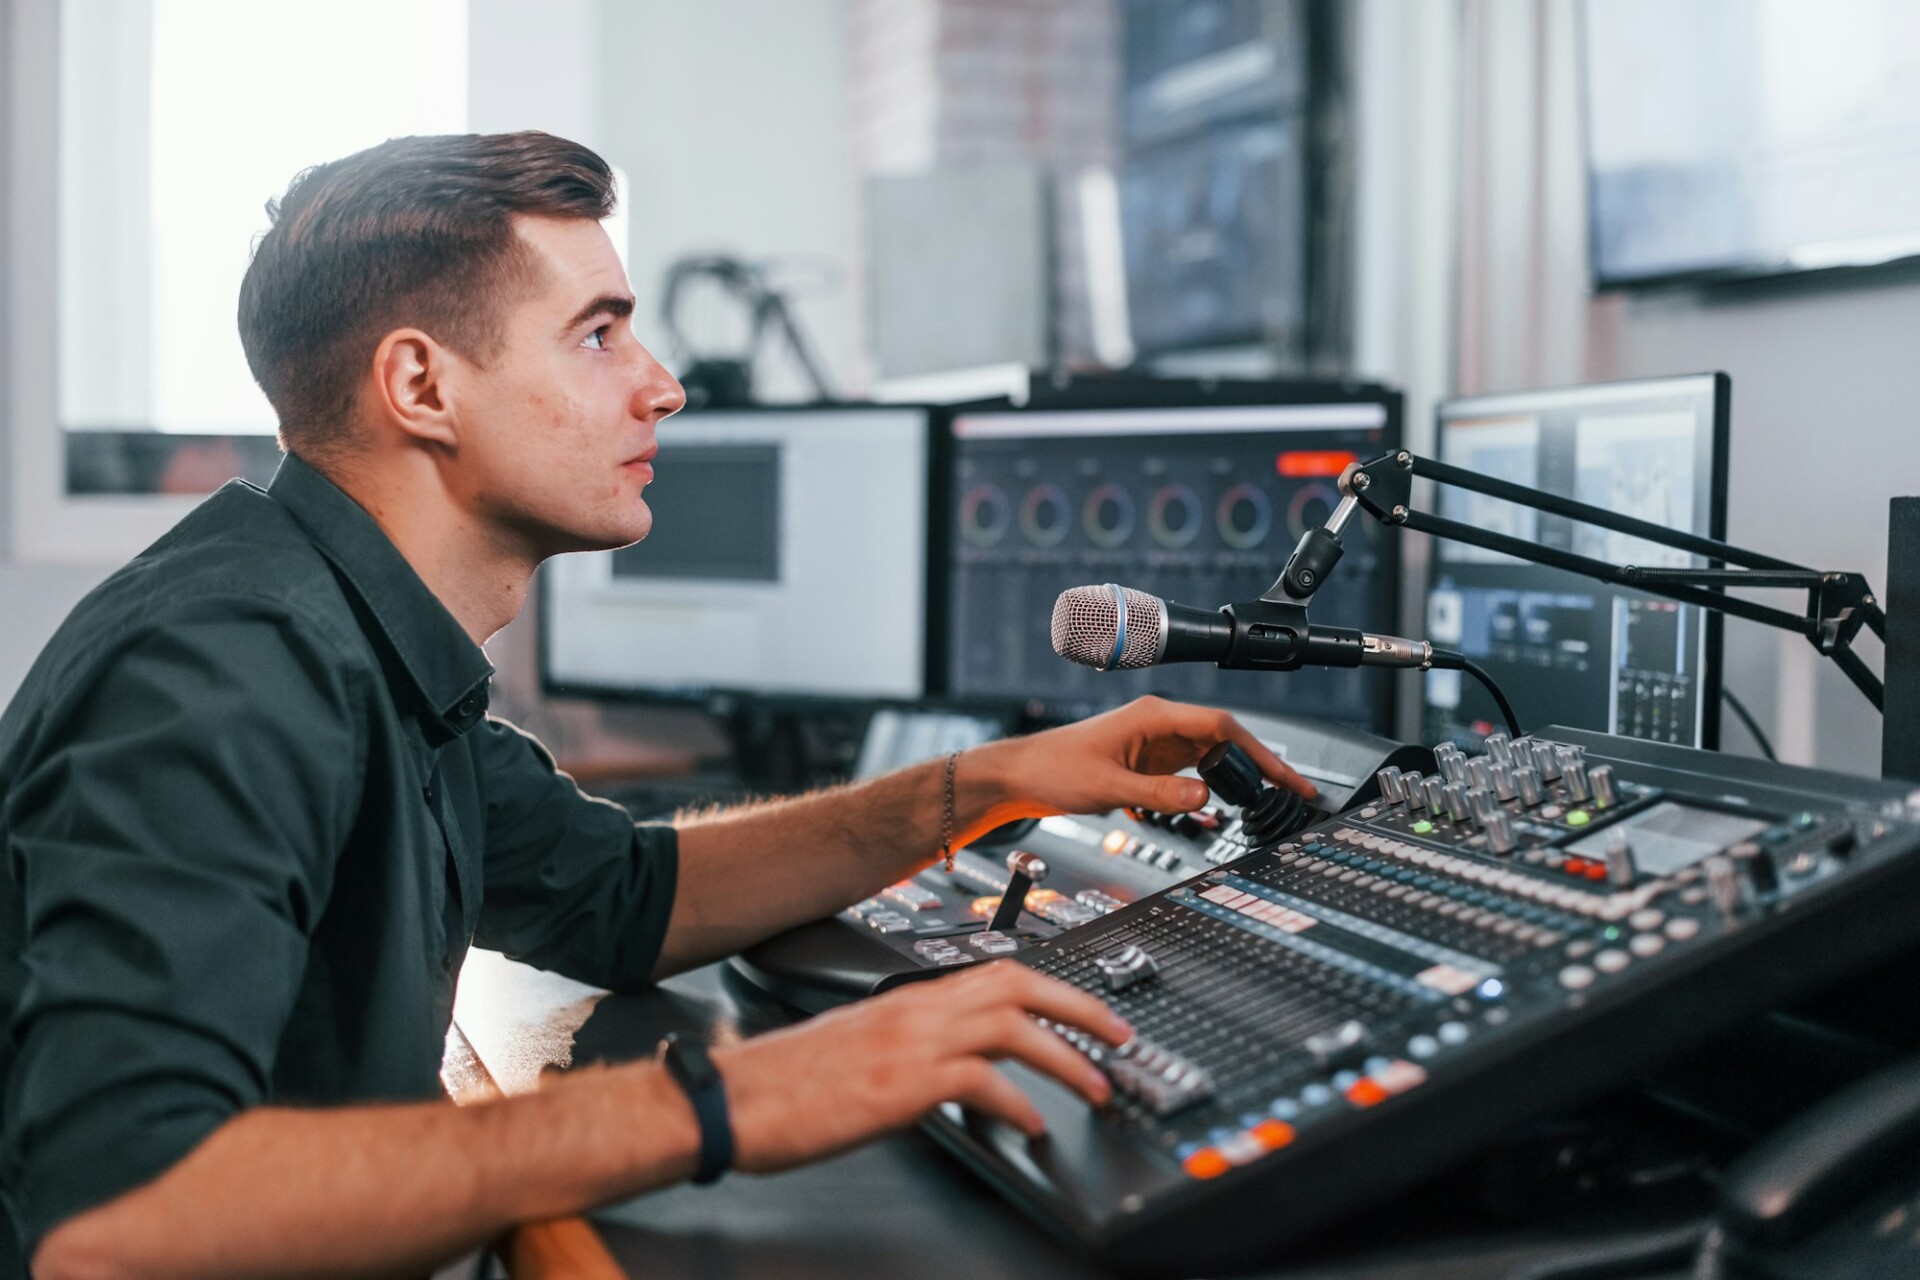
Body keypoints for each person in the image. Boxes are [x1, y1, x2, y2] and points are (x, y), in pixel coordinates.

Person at [0, 132, 1311, 1278]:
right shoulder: (228, 671)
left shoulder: (362, 640)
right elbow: (117, 1224)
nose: (663, 385)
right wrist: (726, 1099)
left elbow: (625, 897)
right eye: (598, 333)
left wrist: (983, 788)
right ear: (421, 386)